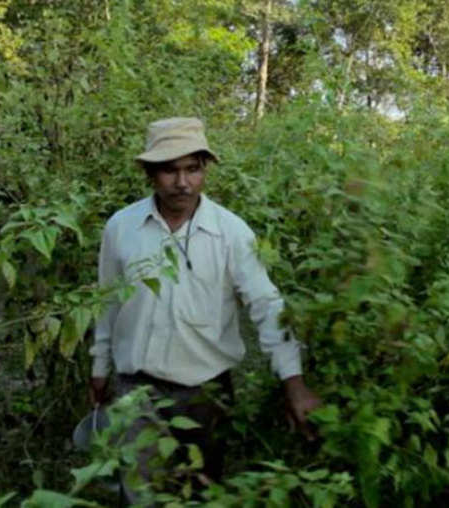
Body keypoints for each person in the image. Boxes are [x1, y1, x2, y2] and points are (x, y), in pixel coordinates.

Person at [89, 117, 321, 504]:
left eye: (193, 169)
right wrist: (99, 369)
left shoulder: (231, 233)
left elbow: (267, 307)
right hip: (135, 389)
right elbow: (107, 300)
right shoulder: (121, 228)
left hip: (206, 393)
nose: (183, 183)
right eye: (170, 170)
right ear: (150, 173)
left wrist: (293, 382)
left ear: (204, 169)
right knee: (139, 494)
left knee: (202, 491)